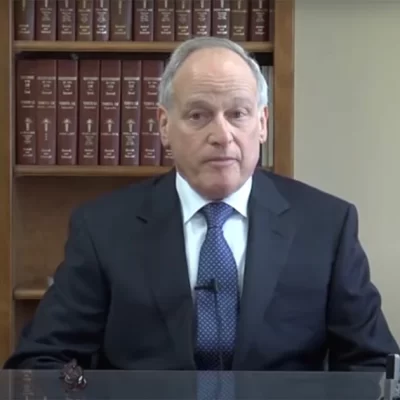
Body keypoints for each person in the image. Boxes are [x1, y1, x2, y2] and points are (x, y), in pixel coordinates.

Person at [4, 37, 399, 372]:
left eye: (238, 114)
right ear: (164, 126)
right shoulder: (103, 228)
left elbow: (374, 365)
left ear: (262, 123)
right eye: (198, 115)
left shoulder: (327, 226)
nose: (222, 135)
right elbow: (40, 362)